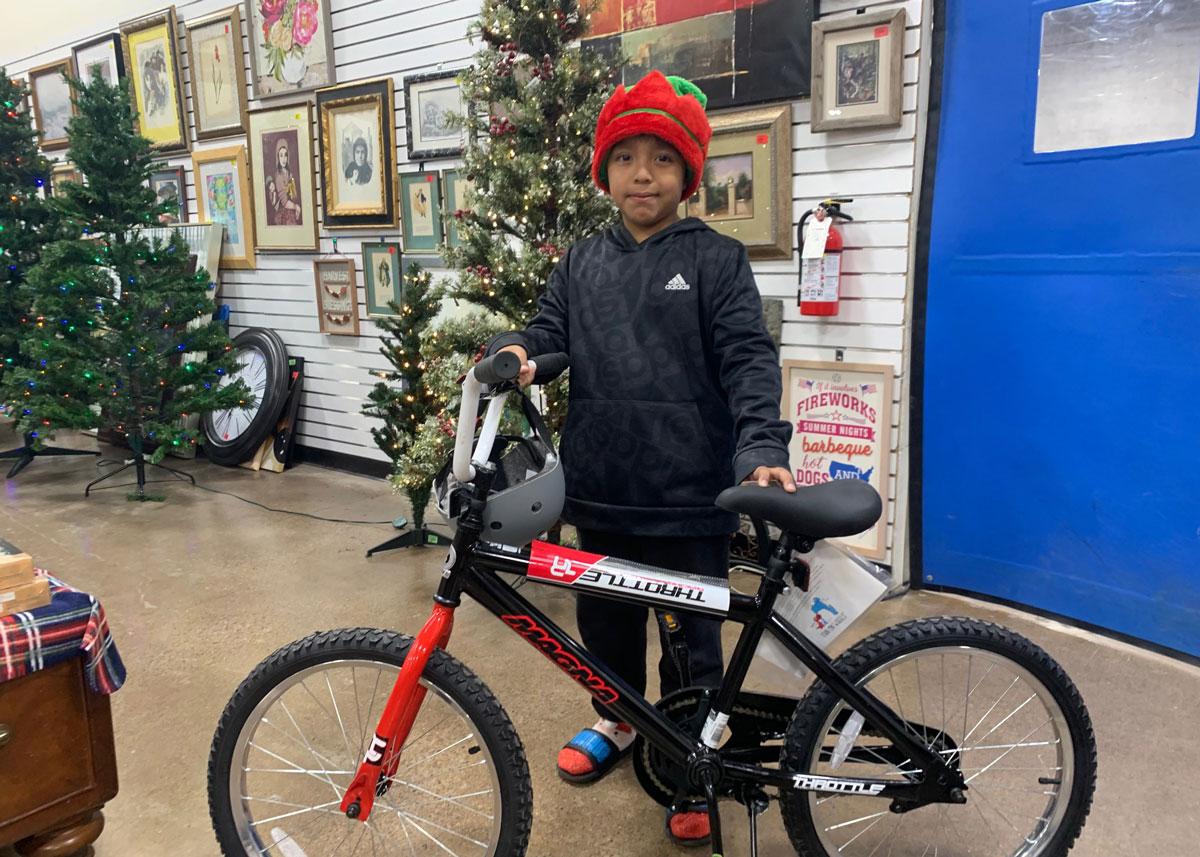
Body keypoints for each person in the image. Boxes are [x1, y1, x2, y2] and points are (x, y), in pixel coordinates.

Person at [491, 69, 794, 849]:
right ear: (605, 170)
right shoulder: (580, 263)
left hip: (691, 496)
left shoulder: (717, 260)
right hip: (602, 489)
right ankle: (616, 721)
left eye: (661, 158)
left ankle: (690, 760)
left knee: (692, 641)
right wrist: (518, 351)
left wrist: (760, 444)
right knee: (608, 628)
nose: (643, 175)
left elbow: (748, 359)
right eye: (627, 157)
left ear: (688, 173)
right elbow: (546, 332)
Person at [266, 138, 302, 225]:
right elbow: (285, 202)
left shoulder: (289, 173)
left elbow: (294, 195)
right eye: (281, 155)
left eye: (285, 155)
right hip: (283, 215)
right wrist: (296, 207)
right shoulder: (278, 176)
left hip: (291, 210)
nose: (283, 159)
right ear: (277, 157)